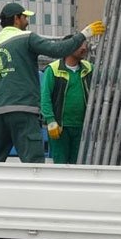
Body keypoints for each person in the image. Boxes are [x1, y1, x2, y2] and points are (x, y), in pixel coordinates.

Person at [0, 2, 105, 163]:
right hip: (24, 112)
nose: (27, 21)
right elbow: (57, 50)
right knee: (33, 165)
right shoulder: (26, 38)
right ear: (16, 18)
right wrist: (83, 34)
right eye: (25, 17)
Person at [41, 36, 91, 164]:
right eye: (80, 45)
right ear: (68, 47)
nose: (84, 48)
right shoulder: (53, 69)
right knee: (60, 166)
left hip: (82, 127)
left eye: (85, 44)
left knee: (79, 165)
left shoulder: (88, 68)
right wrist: (50, 120)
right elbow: (44, 97)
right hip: (59, 128)